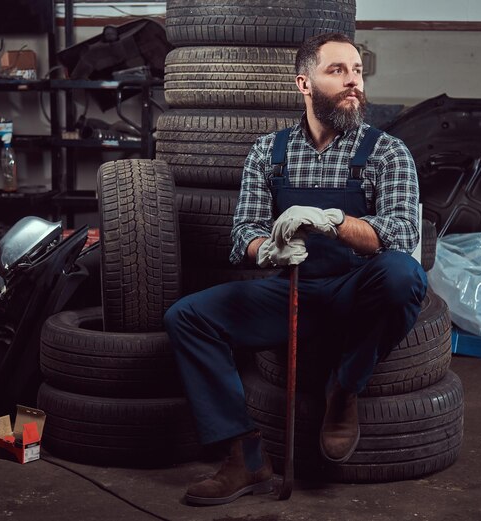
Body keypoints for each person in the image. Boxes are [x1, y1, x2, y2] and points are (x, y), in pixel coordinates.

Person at [164, 32, 427, 506]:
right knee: (187, 316)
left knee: (403, 276)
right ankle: (244, 454)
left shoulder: (387, 152)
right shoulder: (270, 152)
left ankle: (343, 391)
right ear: (304, 84)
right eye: (338, 71)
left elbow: (402, 236)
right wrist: (270, 250)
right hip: (294, 290)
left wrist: (332, 221)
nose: (354, 83)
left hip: (357, 290)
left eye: (358, 71)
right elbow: (243, 232)